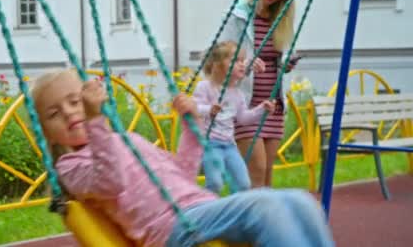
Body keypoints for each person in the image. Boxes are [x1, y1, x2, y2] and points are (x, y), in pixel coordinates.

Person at [30, 69, 332, 247]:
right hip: (171, 228)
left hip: (200, 209)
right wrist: (95, 120)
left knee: (300, 202)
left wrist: (191, 125)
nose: (70, 112)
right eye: (55, 113)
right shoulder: (70, 167)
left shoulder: (128, 140)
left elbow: (183, 173)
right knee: (263, 206)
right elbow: (110, 182)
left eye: (75, 101)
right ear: (48, 133)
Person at [220, 0, 300, 188]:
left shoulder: (280, 18)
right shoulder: (239, 15)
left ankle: (260, 222)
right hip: (246, 105)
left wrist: (286, 63)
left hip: (272, 107)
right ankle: (249, 223)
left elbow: (278, 56)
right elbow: (221, 57)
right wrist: (245, 64)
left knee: (266, 178)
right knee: (256, 170)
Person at [193, 41, 275, 193]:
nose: (242, 64)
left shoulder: (237, 93)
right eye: (235, 60)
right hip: (210, 144)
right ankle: (206, 209)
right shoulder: (204, 87)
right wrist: (209, 109)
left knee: (243, 184)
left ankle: (234, 212)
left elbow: (244, 119)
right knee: (215, 183)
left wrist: (261, 109)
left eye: (242, 60)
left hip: (230, 146)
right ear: (217, 65)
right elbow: (195, 108)